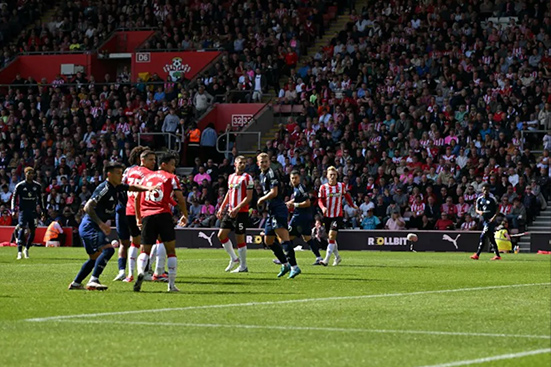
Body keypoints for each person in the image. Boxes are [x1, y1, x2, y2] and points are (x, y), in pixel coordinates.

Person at [68, 162, 154, 291]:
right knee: (108, 250)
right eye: (118, 173)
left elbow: (132, 187)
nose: (121, 176)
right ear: (109, 174)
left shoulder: (116, 187)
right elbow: (87, 207)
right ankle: (94, 280)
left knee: (94, 258)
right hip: (90, 226)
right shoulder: (105, 188)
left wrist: (148, 189)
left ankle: (76, 283)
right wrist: (101, 224)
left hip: (90, 226)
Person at [134, 153, 188, 292]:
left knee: (144, 250)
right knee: (171, 251)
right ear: (164, 164)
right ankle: (171, 285)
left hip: (147, 215)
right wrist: (185, 214)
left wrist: (139, 218)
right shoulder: (171, 178)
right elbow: (180, 198)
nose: (174, 168)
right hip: (163, 214)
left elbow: (136, 198)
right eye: (172, 164)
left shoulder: (145, 177)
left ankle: (141, 272)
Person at [114, 147, 157, 282]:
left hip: (126, 208)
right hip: (141, 210)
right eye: (151, 159)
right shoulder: (149, 174)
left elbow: (120, 185)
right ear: (142, 159)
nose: (153, 162)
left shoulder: (129, 171)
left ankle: (127, 273)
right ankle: (147, 270)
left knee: (130, 243)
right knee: (149, 242)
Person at [257, 153, 300, 278]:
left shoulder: (271, 173)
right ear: (258, 163)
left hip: (278, 209)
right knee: (268, 240)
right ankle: (285, 264)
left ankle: (294, 267)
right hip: (271, 211)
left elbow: (274, 192)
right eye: (262, 162)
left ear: (269, 162)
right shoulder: (261, 175)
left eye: (266, 161)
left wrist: (262, 199)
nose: (264, 164)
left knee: (283, 238)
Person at [216, 155, 253, 273]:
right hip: (230, 211)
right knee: (221, 235)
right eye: (240, 162)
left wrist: (237, 208)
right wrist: (222, 207)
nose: (243, 164)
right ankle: (234, 258)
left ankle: (243, 266)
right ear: (235, 164)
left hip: (241, 212)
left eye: (244, 163)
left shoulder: (247, 178)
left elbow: (249, 197)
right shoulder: (231, 177)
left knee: (239, 238)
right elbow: (229, 193)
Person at [318, 166, 358, 266]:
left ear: (337, 176)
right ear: (327, 176)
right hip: (327, 215)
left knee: (332, 235)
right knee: (330, 238)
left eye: (334, 175)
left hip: (337, 215)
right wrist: (323, 208)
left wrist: (352, 205)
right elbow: (320, 200)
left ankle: (326, 260)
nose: (332, 176)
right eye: (330, 175)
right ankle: (337, 257)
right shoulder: (323, 187)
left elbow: (347, 196)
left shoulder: (341, 186)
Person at [286, 170, 322, 265]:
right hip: (304, 217)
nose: (294, 180)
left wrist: (295, 204)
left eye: (296, 178)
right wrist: (291, 202)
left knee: (287, 236)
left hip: (299, 216)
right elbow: (298, 197)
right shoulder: (296, 188)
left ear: (299, 178)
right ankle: (319, 257)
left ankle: (286, 259)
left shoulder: (301, 188)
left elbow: (307, 203)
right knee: (307, 238)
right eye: (292, 178)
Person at [11, 167, 42, 259]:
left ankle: (27, 248)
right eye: (29, 173)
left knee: (33, 231)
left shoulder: (37, 186)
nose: (30, 175)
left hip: (32, 211)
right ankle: (19, 252)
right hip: (23, 211)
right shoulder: (20, 186)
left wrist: (43, 211)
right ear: (25, 174)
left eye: (32, 173)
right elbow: (14, 198)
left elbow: (41, 200)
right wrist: (13, 210)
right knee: (22, 228)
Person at [471, 183, 501, 260]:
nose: (485, 191)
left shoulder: (492, 199)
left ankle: (477, 254)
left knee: (483, 236)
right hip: (484, 221)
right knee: (491, 238)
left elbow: (498, 209)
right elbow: (477, 209)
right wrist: (479, 212)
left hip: (490, 221)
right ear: (482, 190)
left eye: (487, 190)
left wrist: (494, 217)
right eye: (484, 189)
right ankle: (497, 255)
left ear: (489, 190)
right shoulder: (479, 199)